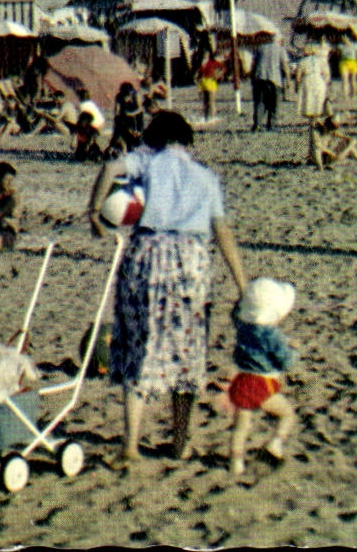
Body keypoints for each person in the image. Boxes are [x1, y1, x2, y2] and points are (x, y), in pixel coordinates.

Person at [87, 111, 249, 465]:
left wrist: (96, 211)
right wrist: (242, 284)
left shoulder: (148, 161)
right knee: (187, 353)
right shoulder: (207, 177)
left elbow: (112, 167)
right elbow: (222, 231)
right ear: (187, 141)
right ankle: (180, 441)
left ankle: (130, 445)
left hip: (146, 256)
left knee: (138, 347)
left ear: (155, 138)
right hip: (191, 263)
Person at [226, 278, 299, 475]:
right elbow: (285, 361)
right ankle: (275, 444)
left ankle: (236, 463)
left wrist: (241, 304)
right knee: (287, 414)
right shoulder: (271, 334)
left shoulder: (243, 327)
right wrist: (293, 349)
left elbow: (235, 315)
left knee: (241, 426)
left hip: (241, 381)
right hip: (261, 384)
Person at [249, 39, 289, 132]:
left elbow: (253, 64)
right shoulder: (280, 49)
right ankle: (271, 126)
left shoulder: (260, 48)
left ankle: (257, 125)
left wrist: (252, 78)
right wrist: (288, 80)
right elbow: (285, 65)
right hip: (274, 79)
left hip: (260, 78)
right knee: (274, 104)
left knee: (260, 102)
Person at [197, 47, 225, 124]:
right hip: (204, 83)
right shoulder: (202, 65)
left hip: (211, 83)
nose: (205, 57)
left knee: (211, 101)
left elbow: (223, 68)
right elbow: (199, 75)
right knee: (205, 102)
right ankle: (206, 118)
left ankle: (212, 117)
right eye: (203, 56)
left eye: (206, 56)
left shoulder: (212, 62)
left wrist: (218, 75)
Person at [334, 33, 357, 102]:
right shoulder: (340, 46)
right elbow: (338, 54)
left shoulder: (355, 45)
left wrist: (355, 61)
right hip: (343, 62)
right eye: (342, 38)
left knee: (353, 80)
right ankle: (346, 96)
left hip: (353, 62)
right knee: (345, 80)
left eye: (344, 37)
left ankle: (353, 94)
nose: (343, 39)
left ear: (348, 38)